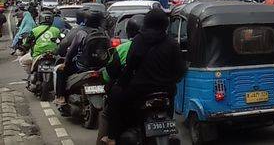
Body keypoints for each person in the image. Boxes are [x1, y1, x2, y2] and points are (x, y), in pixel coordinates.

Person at [104, 8, 186, 144]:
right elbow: (180, 69)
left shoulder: (139, 40)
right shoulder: (171, 42)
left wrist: (121, 85)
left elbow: (130, 66)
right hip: (165, 91)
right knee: (171, 96)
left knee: (114, 95)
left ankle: (112, 137)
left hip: (140, 90)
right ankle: (170, 131)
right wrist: (170, 82)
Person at [96, 15, 143, 145]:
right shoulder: (159, 46)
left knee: (106, 114)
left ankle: (110, 138)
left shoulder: (123, 48)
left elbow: (109, 74)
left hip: (130, 93)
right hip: (157, 91)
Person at [54, 8, 106, 105]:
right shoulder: (104, 33)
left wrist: (65, 63)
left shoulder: (81, 33)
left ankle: (61, 97)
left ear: (86, 20)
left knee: (60, 70)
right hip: (101, 67)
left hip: (82, 67)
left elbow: (72, 51)